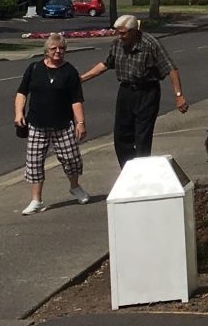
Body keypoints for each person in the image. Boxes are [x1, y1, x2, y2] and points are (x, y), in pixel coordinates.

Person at [80, 14, 189, 167]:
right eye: (118, 32)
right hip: (126, 92)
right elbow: (105, 64)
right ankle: (128, 170)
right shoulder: (117, 44)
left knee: (142, 137)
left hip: (147, 92)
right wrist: (83, 78)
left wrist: (179, 95)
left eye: (123, 33)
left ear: (134, 31)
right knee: (121, 136)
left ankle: (142, 171)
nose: (120, 36)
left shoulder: (150, 44)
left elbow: (171, 68)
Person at [14, 33, 90, 215]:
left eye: (62, 48)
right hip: (37, 123)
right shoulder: (34, 68)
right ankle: (36, 200)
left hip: (62, 124)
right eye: (54, 48)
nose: (58, 51)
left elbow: (76, 100)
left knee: (71, 159)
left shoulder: (69, 71)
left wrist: (80, 122)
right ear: (46, 51)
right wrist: (18, 113)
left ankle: (75, 186)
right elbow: (21, 93)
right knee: (34, 162)